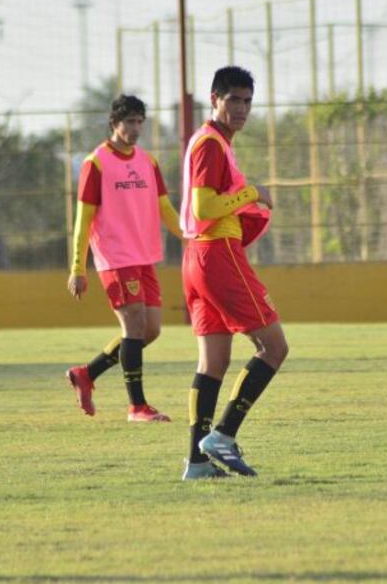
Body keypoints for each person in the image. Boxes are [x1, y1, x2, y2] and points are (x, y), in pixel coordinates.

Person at [179, 66, 289, 480]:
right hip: (217, 254)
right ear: (214, 99)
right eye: (233, 99)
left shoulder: (212, 142)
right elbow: (205, 207)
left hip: (196, 258)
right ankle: (223, 435)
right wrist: (252, 193)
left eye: (247, 101)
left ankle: (196, 463)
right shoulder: (210, 143)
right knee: (274, 347)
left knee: (213, 362)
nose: (241, 108)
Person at [65, 94, 180, 422]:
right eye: (130, 121)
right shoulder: (96, 163)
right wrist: (77, 267)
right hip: (115, 258)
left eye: (140, 122)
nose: (136, 128)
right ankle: (137, 407)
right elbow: (83, 219)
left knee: (151, 330)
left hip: (145, 256)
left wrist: (192, 237)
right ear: (115, 123)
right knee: (133, 326)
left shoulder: (149, 162)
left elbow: (165, 208)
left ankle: (86, 373)